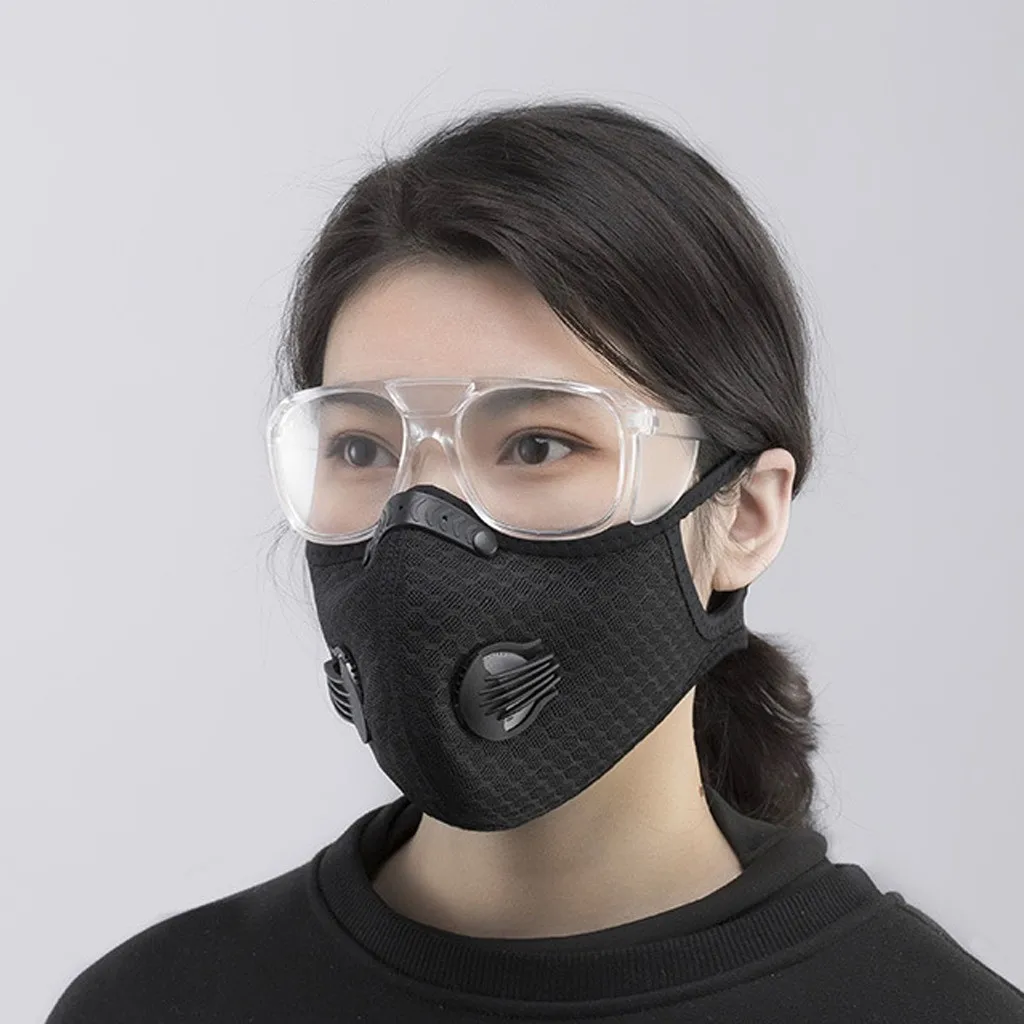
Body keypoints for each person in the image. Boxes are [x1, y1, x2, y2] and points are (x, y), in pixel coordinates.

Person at [45, 99, 1024, 1023]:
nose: (418, 522)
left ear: (747, 515)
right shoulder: (155, 1004)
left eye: (538, 445)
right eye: (361, 447)